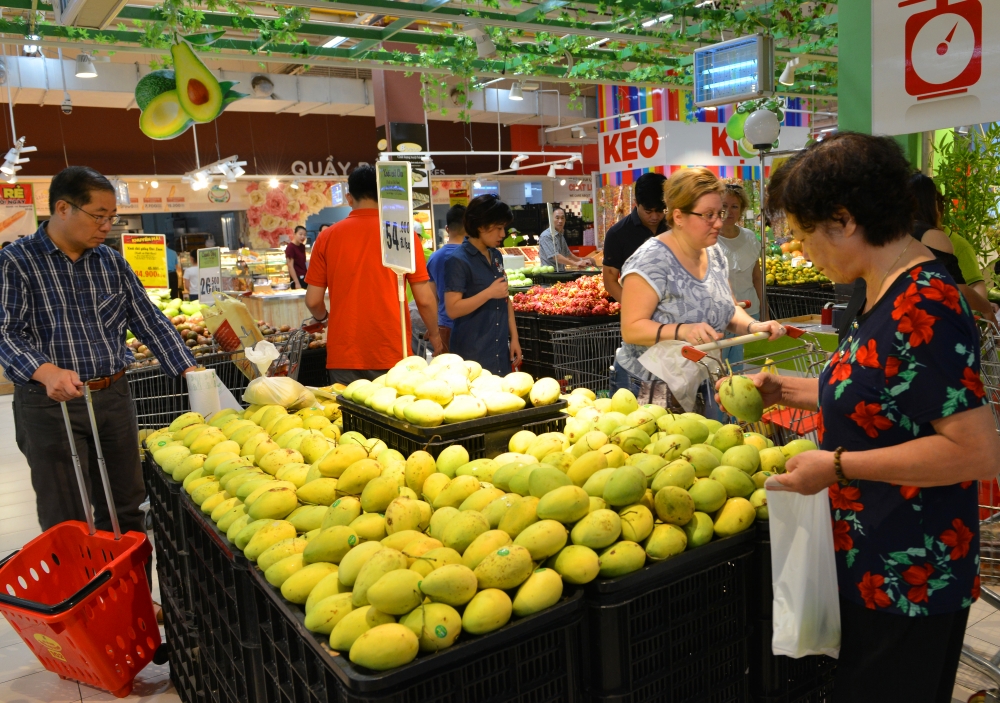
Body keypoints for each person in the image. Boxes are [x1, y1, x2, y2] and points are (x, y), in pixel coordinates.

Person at [748, 133, 1000, 703]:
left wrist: (837, 466)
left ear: (844, 219)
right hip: (875, 552)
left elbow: (975, 451)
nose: (802, 250)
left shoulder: (923, 303)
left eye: (803, 234)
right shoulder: (880, 290)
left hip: (912, 570)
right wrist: (784, 390)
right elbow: (881, 396)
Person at [0, 166, 198, 542]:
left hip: (113, 398)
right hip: (50, 406)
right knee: (66, 514)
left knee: (127, 505)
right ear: (63, 208)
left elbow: (150, 320)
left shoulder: (111, 262)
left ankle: (126, 579)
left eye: (112, 217)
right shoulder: (16, 261)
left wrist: (189, 370)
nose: (107, 226)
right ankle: (79, 580)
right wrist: (46, 371)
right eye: (99, 216)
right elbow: (5, 333)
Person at [616, 168, 785, 402]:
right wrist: (683, 331)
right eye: (708, 215)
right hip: (650, 384)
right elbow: (632, 329)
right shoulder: (651, 260)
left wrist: (753, 326)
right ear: (678, 217)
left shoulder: (714, 253)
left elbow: (729, 308)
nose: (719, 222)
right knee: (661, 429)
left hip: (700, 375)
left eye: (720, 212)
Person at [305, 165, 442, 385]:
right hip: (393, 350)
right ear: (383, 195)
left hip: (345, 352)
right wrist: (435, 334)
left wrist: (322, 318)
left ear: (349, 198)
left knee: (346, 408)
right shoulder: (403, 234)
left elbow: (313, 301)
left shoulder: (326, 237)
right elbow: (424, 299)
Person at [444, 194, 522, 375]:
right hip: (472, 353)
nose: (503, 234)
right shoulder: (458, 260)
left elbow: (505, 298)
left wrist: (514, 338)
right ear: (480, 226)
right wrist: (488, 293)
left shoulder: (496, 255)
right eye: (498, 228)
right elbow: (453, 309)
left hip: (499, 350)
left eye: (504, 228)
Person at [716, 182, 763, 365]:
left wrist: (764, 309)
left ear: (742, 210)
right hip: (723, 316)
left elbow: (757, 277)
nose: (729, 211)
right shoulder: (710, 239)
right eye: (724, 206)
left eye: (734, 206)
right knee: (720, 367)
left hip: (751, 312)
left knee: (744, 367)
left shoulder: (750, 237)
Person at [602, 172, 668, 302]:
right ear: (636, 203)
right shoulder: (617, 234)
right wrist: (633, 307)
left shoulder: (674, 227)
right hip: (638, 304)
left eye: (660, 210)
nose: (655, 217)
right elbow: (610, 281)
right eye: (648, 211)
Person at [426, 205, 466, 352]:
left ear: (447, 229)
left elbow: (431, 298)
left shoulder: (434, 257)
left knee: (446, 365)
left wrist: (432, 326)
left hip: (445, 324)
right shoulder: (473, 256)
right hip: (472, 326)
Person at [285, 225, 309, 289]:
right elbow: (290, 266)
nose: (303, 237)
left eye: (304, 235)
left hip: (305, 277)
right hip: (297, 278)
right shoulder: (290, 247)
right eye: (300, 234)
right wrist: (297, 282)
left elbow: (303, 263)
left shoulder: (302, 246)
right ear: (294, 234)